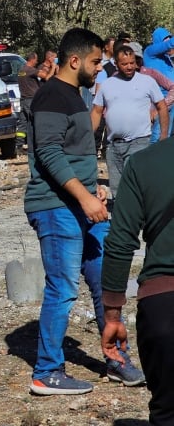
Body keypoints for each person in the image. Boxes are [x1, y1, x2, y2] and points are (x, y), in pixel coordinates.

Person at [25, 28, 144, 396]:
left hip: (80, 202)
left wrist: (94, 188)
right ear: (74, 61)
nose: (101, 66)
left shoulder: (75, 95)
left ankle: (115, 357)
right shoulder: (51, 96)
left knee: (105, 282)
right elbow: (48, 153)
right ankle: (47, 372)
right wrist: (85, 197)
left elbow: (72, 155)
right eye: (96, 61)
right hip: (55, 206)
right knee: (62, 288)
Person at [101, 138, 174, 425]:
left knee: (168, 413)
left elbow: (119, 242)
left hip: (164, 306)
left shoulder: (144, 163)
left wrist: (112, 314)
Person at [90, 44, 167, 198]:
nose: (130, 66)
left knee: (134, 183)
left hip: (138, 142)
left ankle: (139, 218)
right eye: (125, 64)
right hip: (113, 145)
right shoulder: (107, 84)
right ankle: (122, 218)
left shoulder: (147, 81)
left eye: (132, 62)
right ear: (116, 64)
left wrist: (163, 135)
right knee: (117, 187)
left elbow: (162, 106)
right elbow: (97, 112)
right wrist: (86, 137)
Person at [144, 27, 174, 142]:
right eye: (165, 39)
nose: (168, 42)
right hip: (159, 100)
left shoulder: (167, 58)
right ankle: (151, 158)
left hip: (171, 99)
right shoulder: (150, 52)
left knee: (166, 135)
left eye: (169, 38)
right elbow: (168, 45)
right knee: (157, 134)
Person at [15, 52, 46, 155]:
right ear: (32, 59)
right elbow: (44, 76)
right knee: (36, 121)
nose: (37, 62)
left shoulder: (21, 70)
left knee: (23, 123)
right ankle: (37, 145)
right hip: (31, 100)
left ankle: (18, 146)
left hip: (23, 100)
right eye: (36, 60)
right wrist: (52, 68)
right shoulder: (30, 70)